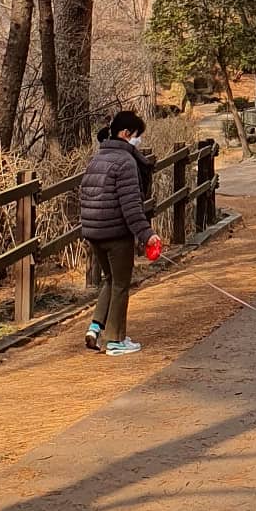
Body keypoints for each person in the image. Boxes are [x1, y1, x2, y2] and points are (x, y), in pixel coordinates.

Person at [79, 110, 161, 356]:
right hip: (116, 233)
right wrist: (147, 234)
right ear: (126, 134)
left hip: (94, 232)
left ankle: (95, 327)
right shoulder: (125, 162)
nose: (139, 141)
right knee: (121, 285)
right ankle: (115, 340)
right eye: (138, 136)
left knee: (110, 280)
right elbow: (131, 206)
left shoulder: (97, 159)